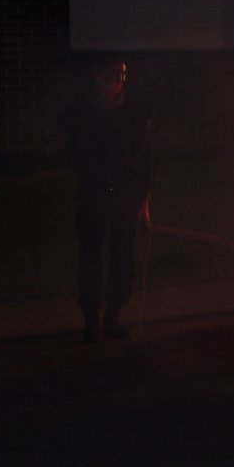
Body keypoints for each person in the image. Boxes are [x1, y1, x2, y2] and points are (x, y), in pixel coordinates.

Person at [58, 56, 155, 342]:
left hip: (125, 195)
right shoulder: (82, 116)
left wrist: (143, 202)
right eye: (110, 77)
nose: (117, 82)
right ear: (97, 79)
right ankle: (91, 319)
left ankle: (112, 317)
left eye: (121, 76)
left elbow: (146, 161)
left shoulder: (136, 116)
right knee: (91, 258)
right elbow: (74, 155)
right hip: (93, 193)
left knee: (122, 257)